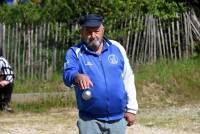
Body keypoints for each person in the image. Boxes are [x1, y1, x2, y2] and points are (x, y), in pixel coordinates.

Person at [63, 14, 138, 134]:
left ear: (103, 30)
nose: (93, 35)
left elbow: (128, 78)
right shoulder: (74, 52)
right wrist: (77, 76)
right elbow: (68, 74)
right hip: (90, 120)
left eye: (96, 31)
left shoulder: (117, 48)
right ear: (81, 32)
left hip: (118, 119)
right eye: (88, 31)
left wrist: (132, 109)